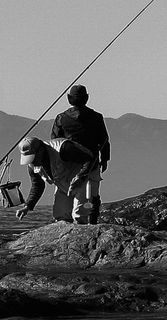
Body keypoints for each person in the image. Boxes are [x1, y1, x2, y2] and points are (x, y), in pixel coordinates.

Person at [50, 84, 111, 224]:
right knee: (88, 199)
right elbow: (104, 141)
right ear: (87, 98)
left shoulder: (60, 118)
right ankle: (90, 221)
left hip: (66, 167)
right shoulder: (97, 117)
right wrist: (105, 159)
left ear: (69, 99)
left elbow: (55, 142)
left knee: (64, 203)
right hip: (91, 165)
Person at [15, 135, 99, 224]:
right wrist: (27, 206)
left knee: (79, 215)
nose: (32, 162)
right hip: (63, 183)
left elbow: (90, 161)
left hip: (87, 177)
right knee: (60, 216)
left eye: (33, 158)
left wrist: (81, 177)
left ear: (40, 150)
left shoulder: (64, 148)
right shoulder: (32, 165)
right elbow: (37, 185)